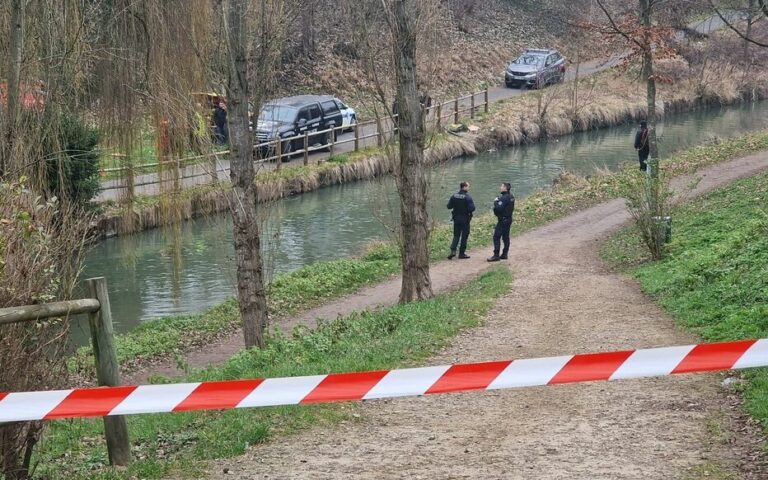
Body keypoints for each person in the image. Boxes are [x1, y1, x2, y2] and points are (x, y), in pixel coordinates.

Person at [447, 181, 475, 260]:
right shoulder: (467, 197)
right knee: (464, 236)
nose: (469, 188)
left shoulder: (454, 196)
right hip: (465, 220)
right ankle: (462, 253)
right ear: (464, 187)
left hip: (456, 219)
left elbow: (449, 206)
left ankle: (453, 251)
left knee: (456, 235)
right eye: (468, 186)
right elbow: (472, 208)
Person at [487, 182, 515, 262]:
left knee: (496, 237)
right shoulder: (511, 196)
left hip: (502, 220)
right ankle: (505, 254)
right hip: (508, 219)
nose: (500, 187)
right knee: (506, 237)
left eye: (501, 186)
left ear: (505, 188)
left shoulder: (504, 198)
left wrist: (495, 201)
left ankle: (496, 255)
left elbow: (499, 208)